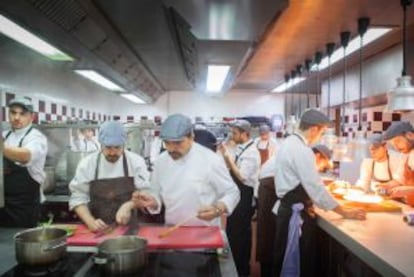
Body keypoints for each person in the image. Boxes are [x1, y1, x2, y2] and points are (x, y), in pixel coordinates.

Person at [272, 109, 366, 277]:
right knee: (297, 261)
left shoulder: (289, 143)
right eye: (322, 132)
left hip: (288, 209)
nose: (321, 137)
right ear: (314, 129)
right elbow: (315, 188)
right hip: (295, 214)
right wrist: (343, 211)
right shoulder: (302, 150)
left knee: (286, 258)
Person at [132, 113, 240, 227]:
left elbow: (232, 192)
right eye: (167, 143)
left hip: (204, 233)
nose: (171, 149)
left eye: (178, 143)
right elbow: (155, 193)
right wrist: (152, 202)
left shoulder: (211, 160)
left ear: (191, 137)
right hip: (172, 231)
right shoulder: (161, 162)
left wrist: (218, 209)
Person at [256, 143, 332, 277]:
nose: (321, 168)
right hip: (269, 188)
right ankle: (269, 271)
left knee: (271, 235)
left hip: (271, 188)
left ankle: (270, 270)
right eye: (323, 164)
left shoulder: (300, 155)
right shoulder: (304, 158)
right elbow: (313, 187)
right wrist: (342, 210)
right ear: (318, 156)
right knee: (269, 235)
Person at [69, 121, 154, 232]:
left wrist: (129, 205)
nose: (113, 152)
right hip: (97, 227)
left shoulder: (136, 162)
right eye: (108, 147)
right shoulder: (88, 163)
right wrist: (90, 221)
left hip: (129, 228)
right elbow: (78, 197)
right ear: (101, 143)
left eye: (117, 147)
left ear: (124, 144)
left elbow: (145, 194)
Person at [218, 119, 261, 277]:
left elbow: (242, 176)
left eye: (235, 133)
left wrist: (228, 158)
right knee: (233, 231)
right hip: (237, 194)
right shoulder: (241, 148)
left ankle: (242, 269)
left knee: (240, 233)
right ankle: (235, 266)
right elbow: (232, 168)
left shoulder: (251, 153)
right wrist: (225, 155)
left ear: (245, 134)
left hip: (245, 196)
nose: (232, 135)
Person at [0, 97, 48, 227]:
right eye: (13, 112)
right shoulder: (5, 135)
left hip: (25, 205)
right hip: (4, 202)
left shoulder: (36, 137)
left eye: (22, 114)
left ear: (32, 117)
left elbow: (25, 156)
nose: (16, 117)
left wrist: (2, 148)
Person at [377, 122, 414, 203]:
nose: (396, 147)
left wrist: (410, 190)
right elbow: (400, 180)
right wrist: (387, 185)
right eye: (393, 144)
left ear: (410, 135)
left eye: (398, 141)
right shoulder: (405, 155)